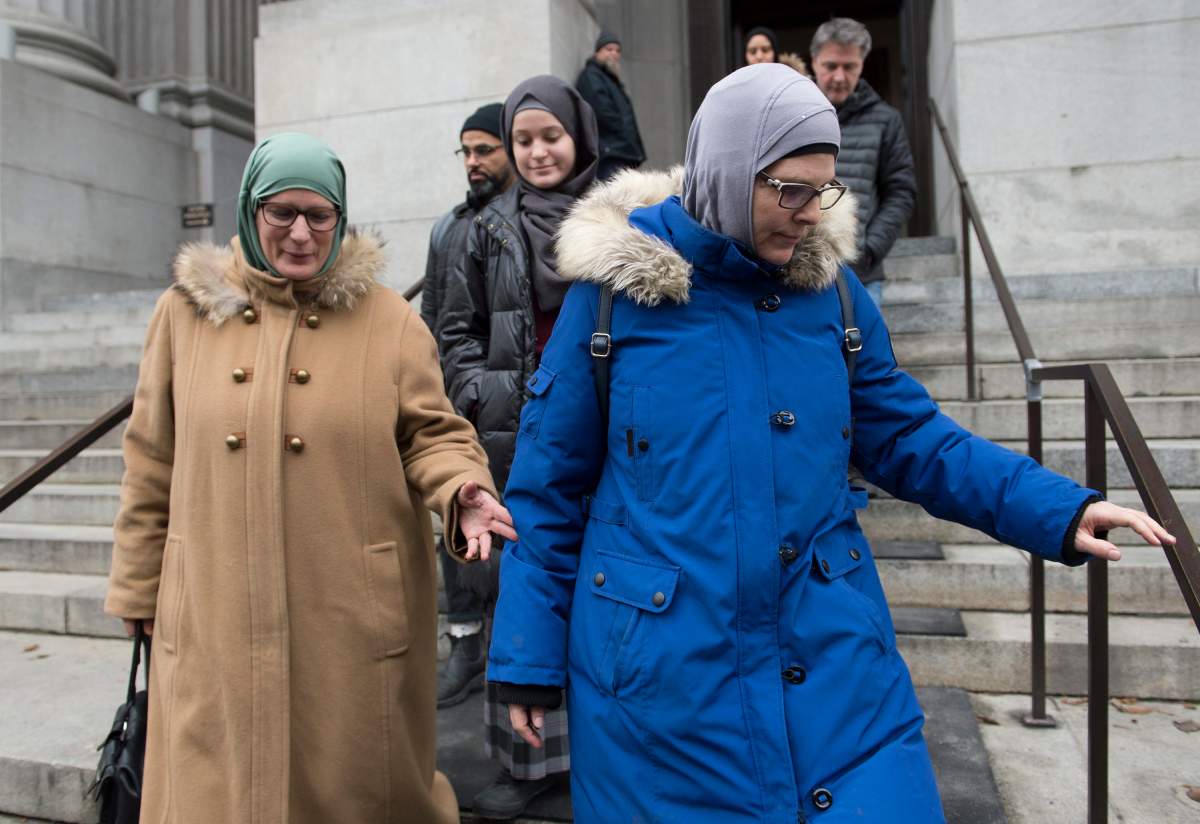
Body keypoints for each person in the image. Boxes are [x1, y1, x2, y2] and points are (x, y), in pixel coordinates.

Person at [484, 64, 1176, 822]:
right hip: (660, 699)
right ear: (725, 172)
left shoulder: (836, 297)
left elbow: (915, 438)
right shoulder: (613, 300)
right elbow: (546, 492)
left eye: (824, 190)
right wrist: (526, 659)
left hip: (841, 674)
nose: (811, 213)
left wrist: (1056, 509)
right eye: (790, 189)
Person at [104, 132, 515, 824]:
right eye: (281, 212)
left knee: (353, 789)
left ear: (340, 216)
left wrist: (461, 489)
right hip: (213, 615)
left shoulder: (388, 320)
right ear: (249, 210)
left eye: (319, 215)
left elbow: (432, 434)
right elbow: (150, 460)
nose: (300, 232)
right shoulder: (182, 314)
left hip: (349, 623)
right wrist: (139, 588)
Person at [440, 75, 599, 819]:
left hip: (604, 437)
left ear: (579, 138)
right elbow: (456, 333)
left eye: (551, 137)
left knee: (602, 596)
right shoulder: (486, 228)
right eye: (524, 139)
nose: (537, 152)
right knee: (521, 595)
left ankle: (603, 751)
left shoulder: (620, 217)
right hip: (516, 437)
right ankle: (523, 761)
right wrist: (488, 396)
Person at [422, 101, 514, 709]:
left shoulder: (522, 220)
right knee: (454, 535)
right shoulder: (446, 227)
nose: (475, 162)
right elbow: (430, 316)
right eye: (467, 151)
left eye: (486, 149)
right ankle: (465, 648)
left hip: (509, 405)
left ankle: (510, 654)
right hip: (453, 408)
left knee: (506, 534)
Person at [811, 17, 916, 307]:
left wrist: (869, 249)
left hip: (862, 275)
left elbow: (901, 191)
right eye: (831, 66)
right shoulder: (794, 114)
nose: (840, 77)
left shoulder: (886, 120)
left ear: (862, 65)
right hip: (795, 267)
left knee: (863, 353)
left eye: (850, 67)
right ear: (815, 61)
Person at [575, 31, 645, 181]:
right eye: (609, 49)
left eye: (617, 50)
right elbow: (602, 113)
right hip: (611, 155)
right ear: (597, 52)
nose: (614, 54)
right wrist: (624, 140)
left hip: (620, 154)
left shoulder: (609, 79)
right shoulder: (591, 76)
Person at [744, 24, 808, 75]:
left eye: (765, 50)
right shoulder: (736, 84)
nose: (759, 56)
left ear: (775, 52)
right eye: (752, 51)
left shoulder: (792, 80)